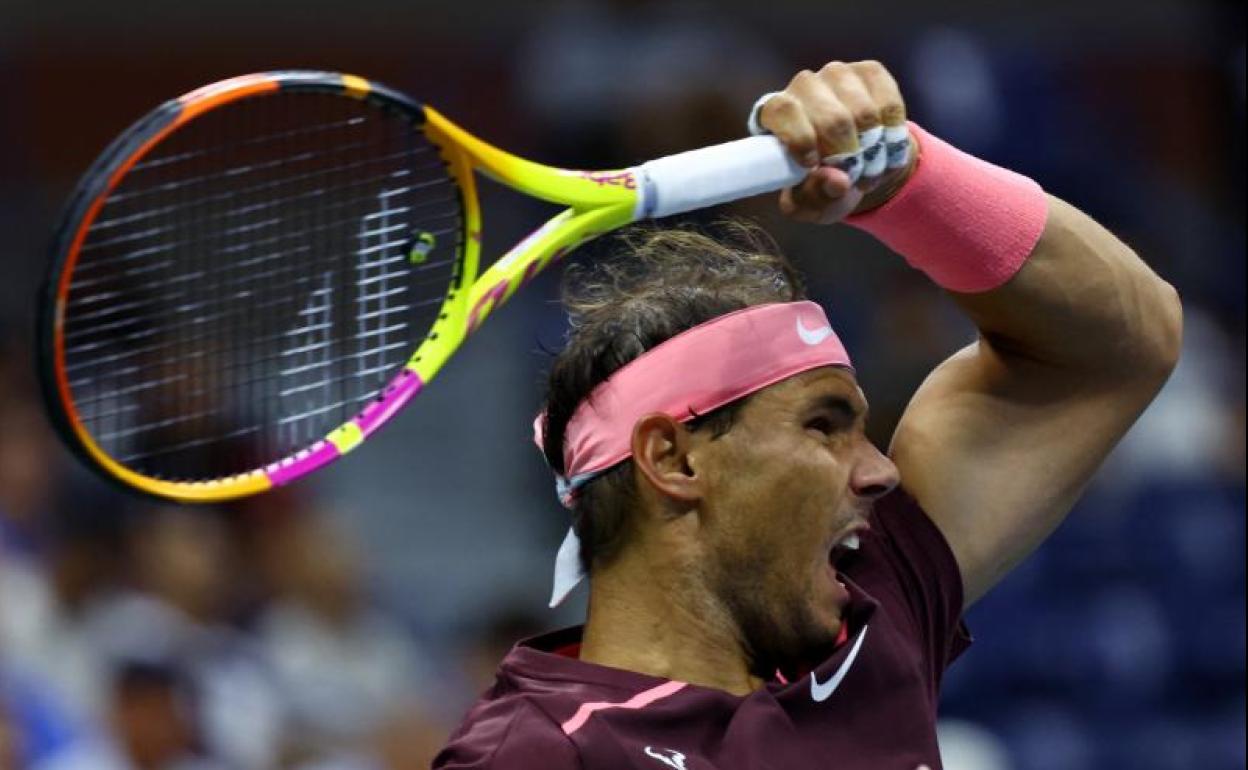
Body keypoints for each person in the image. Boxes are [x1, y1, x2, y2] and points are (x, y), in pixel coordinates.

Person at [434, 59, 1182, 769]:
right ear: (675, 458)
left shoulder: (875, 611)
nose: (882, 469)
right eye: (822, 425)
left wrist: (910, 182)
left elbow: (1122, 343)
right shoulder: (537, 752)